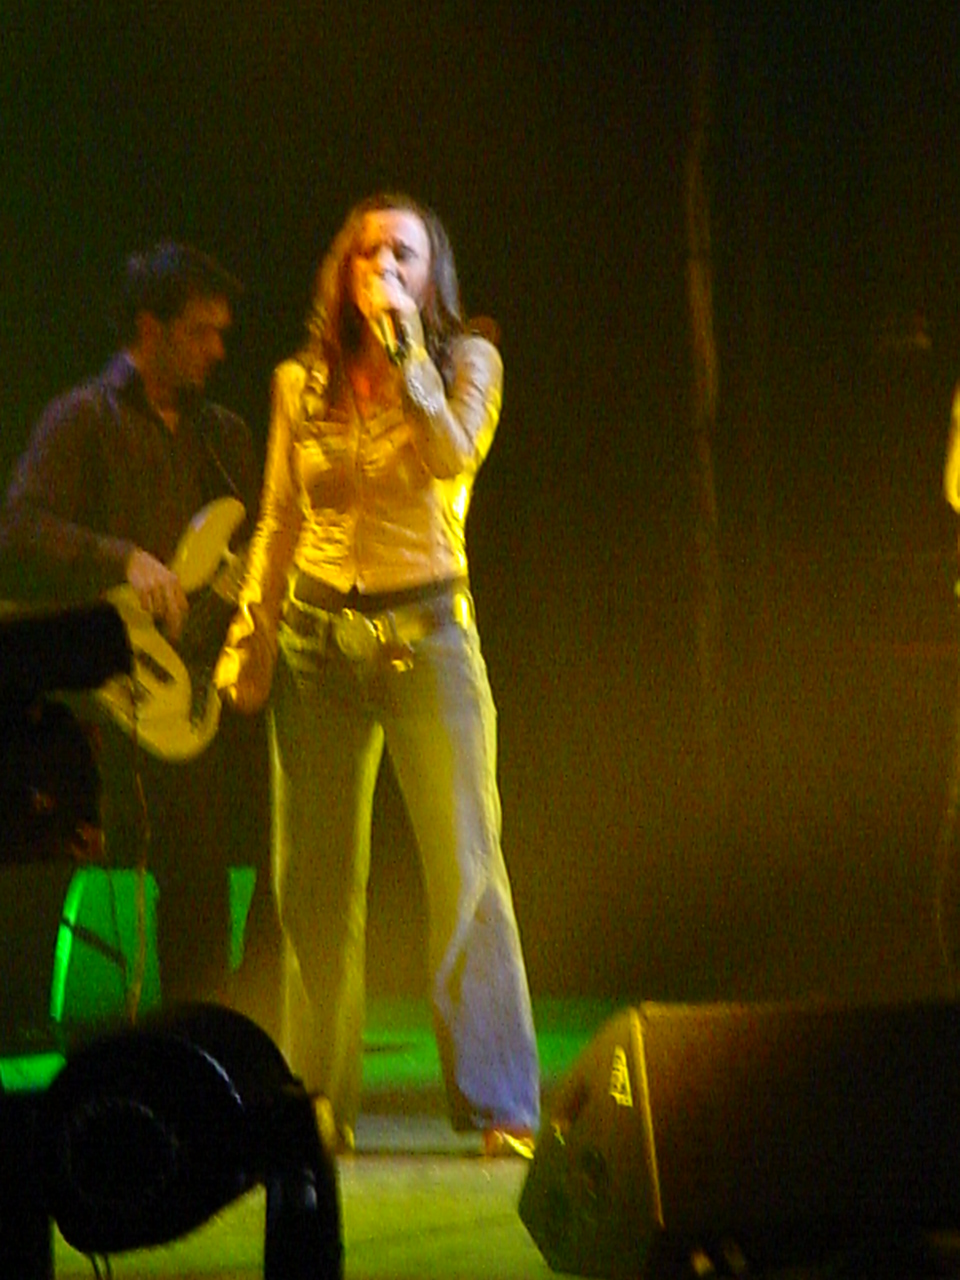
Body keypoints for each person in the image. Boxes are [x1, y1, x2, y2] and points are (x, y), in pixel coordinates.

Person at [214, 192, 541, 1155]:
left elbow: (451, 458)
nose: (385, 268)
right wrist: (249, 641)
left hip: (430, 632)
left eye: (405, 253)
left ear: (433, 274)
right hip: (317, 641)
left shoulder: (468, 363)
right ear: (342, 273)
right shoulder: (297, 383)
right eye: (368, 254)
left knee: (465, 867)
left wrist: (408, 362)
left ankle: (499, 1100)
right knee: (312, 883)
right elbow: (279, 518)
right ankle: (319, 1101)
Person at [0, 242, 280, 1026]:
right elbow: (18, 529)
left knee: (203, 874)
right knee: (63, 859)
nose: (217, 349)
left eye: (222, 332)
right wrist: (121, 558)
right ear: (149, 330)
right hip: (103, 689)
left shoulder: (223, 434)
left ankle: (202, 1040)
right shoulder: (82, 417)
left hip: (192, 696)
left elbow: (253, 542)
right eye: (199, 332)